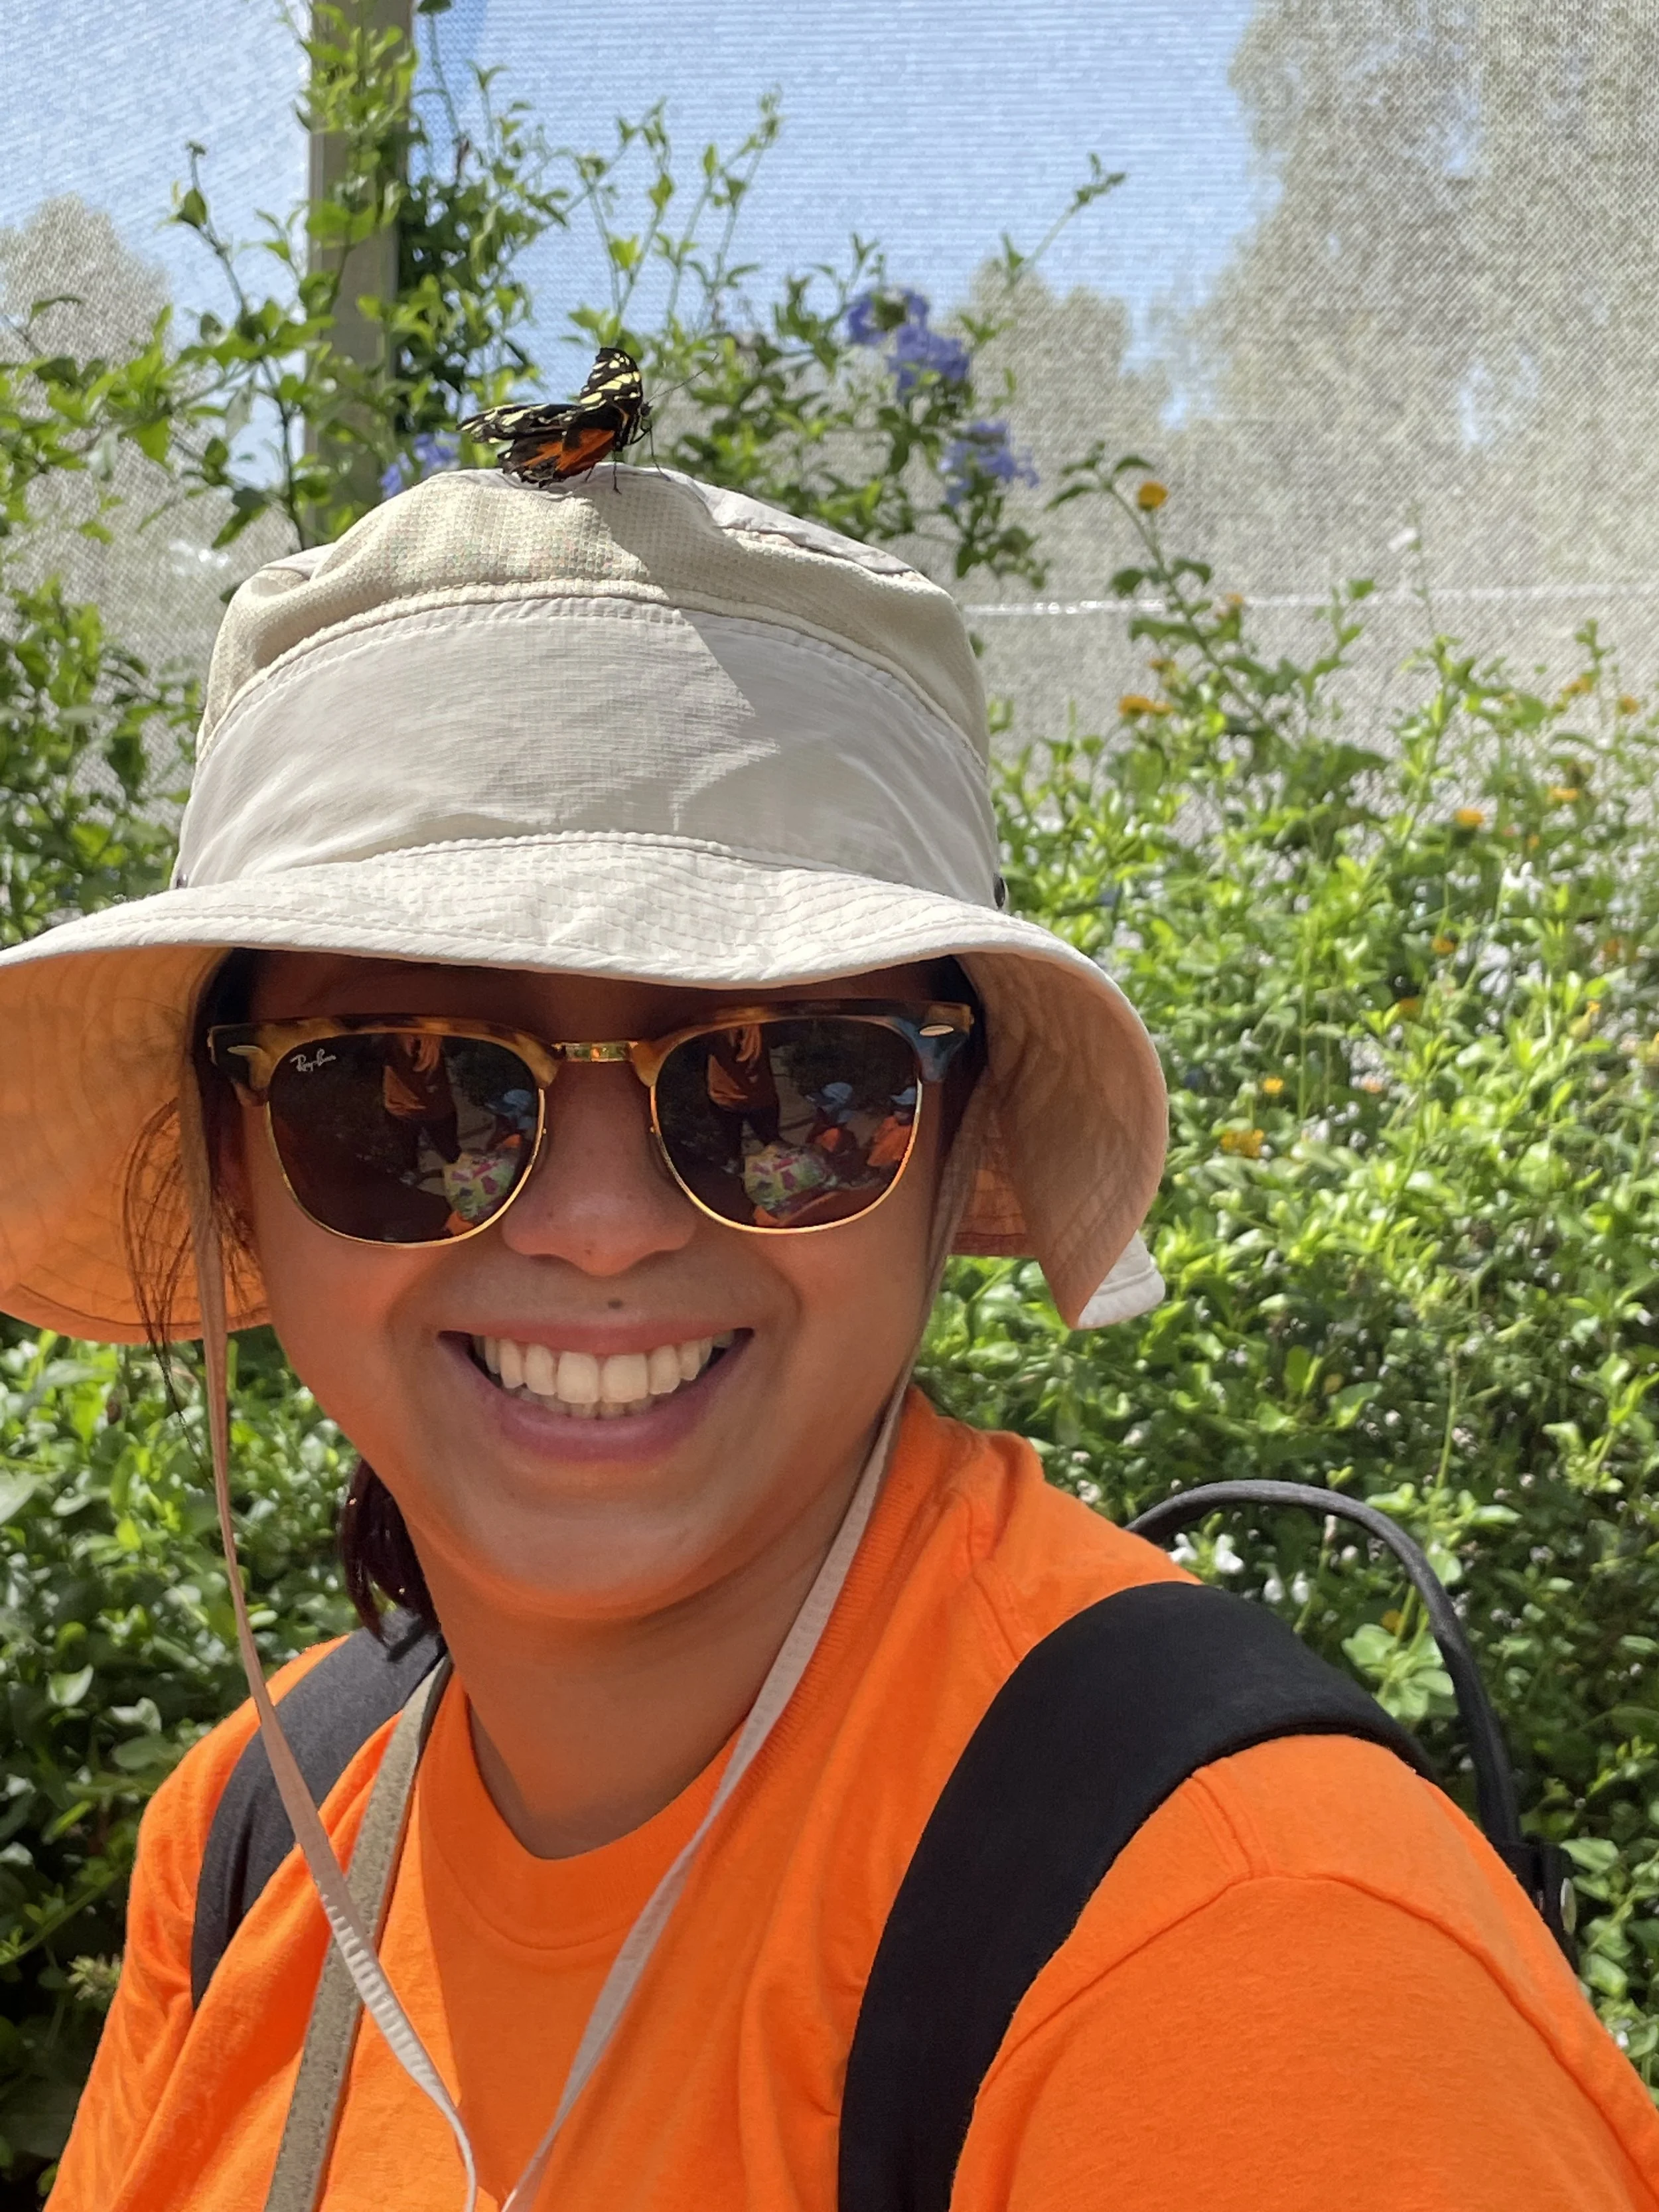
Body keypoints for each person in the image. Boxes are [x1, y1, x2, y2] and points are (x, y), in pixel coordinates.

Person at [7, 464, 1657, 2211]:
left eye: (785, 1082)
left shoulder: (1249, 1952)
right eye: (405, 1090)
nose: (598, 1222)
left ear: (956, 1152)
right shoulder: (260, 1839)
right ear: (232, 1169)